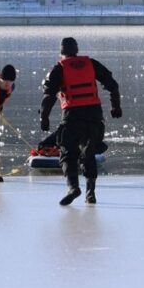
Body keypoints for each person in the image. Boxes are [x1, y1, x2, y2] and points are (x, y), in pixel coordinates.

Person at [39, 36, 122, 206]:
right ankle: (90, 193)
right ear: (76, 50)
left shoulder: (59, 68)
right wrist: (116, 106)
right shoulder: (91, 63)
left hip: (72, 115)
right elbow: (112, 84)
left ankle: (73, 187)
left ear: (62, 52)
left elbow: (49, 95)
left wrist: (44, 117)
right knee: (89, 152)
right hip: (94, 115)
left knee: (67, 152)